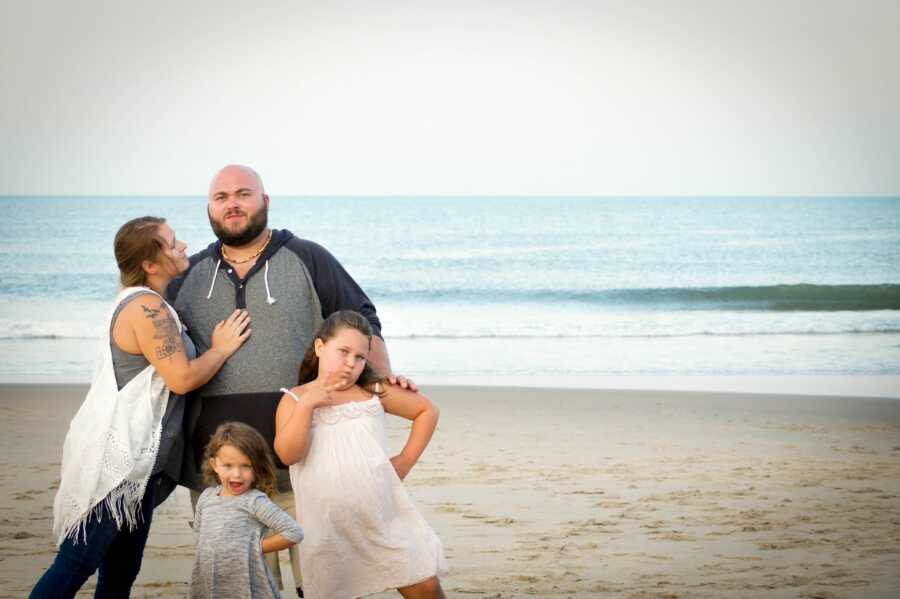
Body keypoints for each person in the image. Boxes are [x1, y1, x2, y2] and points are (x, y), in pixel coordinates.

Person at [167, 164, 412, 594]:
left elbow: (361, 321)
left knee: (318, 584)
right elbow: (156, 348)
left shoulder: (308, 257)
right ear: (209, 208)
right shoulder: (188, 276)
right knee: (242, 586)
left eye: (244, 194)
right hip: (223, 474)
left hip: (307, 467)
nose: (233, 204)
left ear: (265, 201)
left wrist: (380, 383)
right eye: (221, 197)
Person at [31, 216, 251, 599]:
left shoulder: (149, 302)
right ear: (150, 264)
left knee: (120, 571)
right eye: (171, 242)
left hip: (140, 465)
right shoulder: (146, 307)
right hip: (119, 464)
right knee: (76, 563)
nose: (182, 245)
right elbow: (181, 378)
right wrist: (221, 349)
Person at [274, 311, 447, 599]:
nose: (351, 363)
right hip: (328, 528)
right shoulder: (294, 399)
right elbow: (288, 454)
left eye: (360, 357)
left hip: (382, 516)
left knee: (423, 583)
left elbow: (427, 410)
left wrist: (404, 461)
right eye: (343, 352)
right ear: (319, 347)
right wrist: (307, 406)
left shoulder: (373, 391)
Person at [191, 422, 304, 599]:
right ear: (214, 464)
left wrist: (253, 548)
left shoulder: (255, 501)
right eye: (228, 465)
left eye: (246, 466)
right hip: (211, 587)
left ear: (257, 467)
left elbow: (294, 532)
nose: (236, 474)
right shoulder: (206, 498)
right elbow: (200, 538)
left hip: (249, 589)